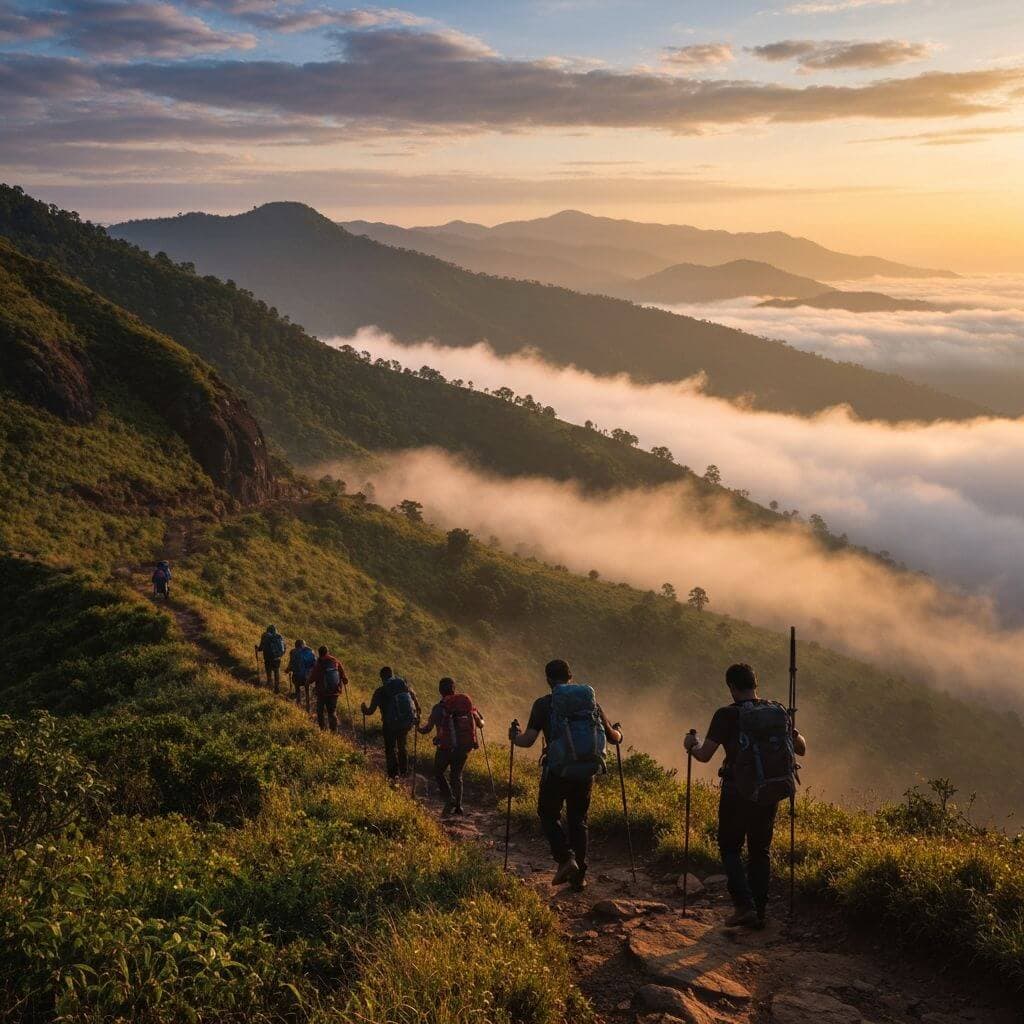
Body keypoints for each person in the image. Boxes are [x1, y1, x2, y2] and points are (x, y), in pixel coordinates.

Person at [685, 662, 807, 929]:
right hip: (771, 790)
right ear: (755, 684)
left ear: (731, 687)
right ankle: (759, 911)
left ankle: (743, 906)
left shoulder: (726, 715)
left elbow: (704, 756)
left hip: (737, 791)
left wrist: (691, 746)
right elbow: (801, 749)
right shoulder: (777, 712)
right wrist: (792, 729)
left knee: (730, 846)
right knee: (759, 850)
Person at [509, 659, 621, 892]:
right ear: (571, 677)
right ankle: (579, 877)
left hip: (557, 772)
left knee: (548, 814)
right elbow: (613, 737)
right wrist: (620, 732)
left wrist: (514, 736)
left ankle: (564, 858)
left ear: (548, 680)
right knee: (578, 821)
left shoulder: (543, 705)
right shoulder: (591, 704)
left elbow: (527, 740)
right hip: (585, 773)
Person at [417, 677, 484, 816]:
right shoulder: (466, 704)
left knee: (438, 772)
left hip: (445, 748)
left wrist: (417, 726)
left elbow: (427, 729)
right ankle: (458, 807)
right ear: (454, 689)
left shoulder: (438, 708)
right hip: (463, 748)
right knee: (457, 775)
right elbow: (480, 723)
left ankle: (449, 799)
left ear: (440, 691)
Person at [362, 667, 420, 781]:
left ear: (382, 677)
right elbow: (416, 704)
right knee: (402, 746)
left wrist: (363, 708)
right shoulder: (405, 687)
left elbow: (370, 711)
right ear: (392, 675)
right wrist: (417, 717)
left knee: (390, 749)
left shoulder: (380, 691)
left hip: (389, 725)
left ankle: (393, 775)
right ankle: (404, 771)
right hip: (405, 723)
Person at [308, 645, 349, 733]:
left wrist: (307, 683)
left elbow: (313, 677)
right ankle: (334, 730)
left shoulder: (319, 664)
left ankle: (322, 729)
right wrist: (344, 680)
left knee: (320, 711)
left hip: (322, 693)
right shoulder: (335, 661)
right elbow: (344, 677)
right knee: (332, 711)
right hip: (334, 692)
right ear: (327, 652)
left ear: (319, 653)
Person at [287, 638, 317, 709]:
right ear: (303, 645)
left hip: (296, 676)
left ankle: (298, 705)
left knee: (297, 689)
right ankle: (308, 706)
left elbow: (291, 665)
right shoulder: (310, 652)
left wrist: (287, 670)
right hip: (306, 677)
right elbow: (314, 664)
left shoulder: (293, 652)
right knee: (307, 691)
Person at [256, 625, 286, 693]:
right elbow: (284, 647)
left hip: (268, 658)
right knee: (276, 672)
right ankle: (276, 687)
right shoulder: (279, 636)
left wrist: (257, 648)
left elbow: (261, 648)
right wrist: (280, 655)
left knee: (269, 671)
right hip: (277, 658)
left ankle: (269, 685)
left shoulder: (265, 636)